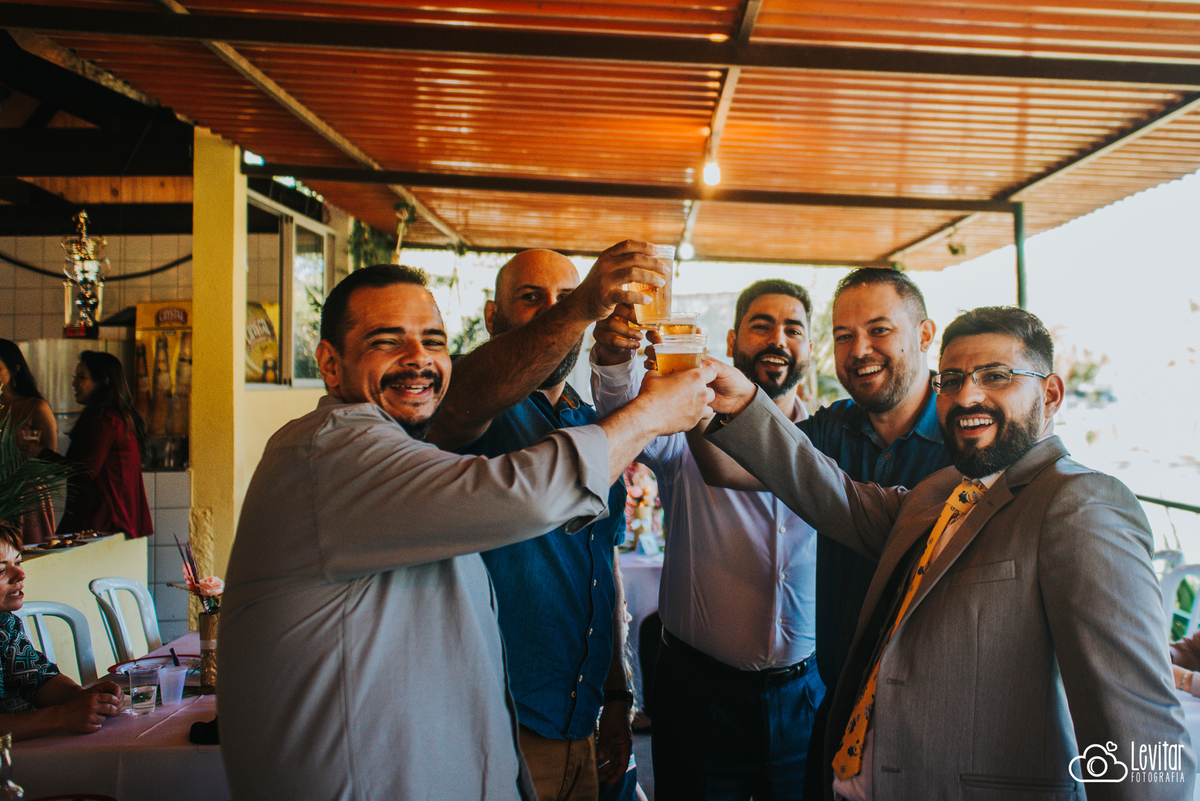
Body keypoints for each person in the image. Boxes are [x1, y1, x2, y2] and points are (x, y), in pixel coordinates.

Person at [219, 263, 716, 800]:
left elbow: (597, 567)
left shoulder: (423, 450)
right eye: (387, 341)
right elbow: (526, 490)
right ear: (330, 365)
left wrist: (615, 696)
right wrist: (651, 412)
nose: (418, 359)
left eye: (433, 341)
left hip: (547, 726)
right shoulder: (331, 451)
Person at [704, 305, 1194, 800]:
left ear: (1050, 395)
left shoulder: (1081, 503)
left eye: (996, 376)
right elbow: (835, 495)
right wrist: (746, 402)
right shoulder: (941, 490)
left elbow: (1141, 725)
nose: (967, 396)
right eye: (952, 379)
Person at [691, 268, 952, 798]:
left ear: (925, 336)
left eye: (879, 330)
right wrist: (691, 391)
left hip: (934, 715)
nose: (860, 350)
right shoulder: (832, 428)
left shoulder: (965, 434)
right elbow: (728, 467)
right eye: (843, 336)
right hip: (837, 703)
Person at [426, 244, 670, 801]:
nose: (559, 312)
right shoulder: (471, 411)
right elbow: (461, 396)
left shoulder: (586, 420)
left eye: (568, 299)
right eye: (532, 299)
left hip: (580, 714)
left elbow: (600, 566)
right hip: (498, 720)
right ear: (494, 318)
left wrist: (616, 696)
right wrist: (584, 303)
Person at [590, 279, 823, 800]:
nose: (777, 339)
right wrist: (612, 360)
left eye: (793, 328)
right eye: (762, 325)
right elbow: (623, 408)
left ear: (810, 346)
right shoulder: (689, 431)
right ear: (735, 337)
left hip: (807, 694)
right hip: (700, 694)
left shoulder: (830, 442)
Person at [0, 526, 125, 740]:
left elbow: (37, 677)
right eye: (1, 569)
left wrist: (82, 696)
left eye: (18, 562)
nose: (21, 574)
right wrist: (61, 716)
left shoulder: (5, 624)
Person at [27, 351, 152, 539]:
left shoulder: (105, 421)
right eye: (75, 377)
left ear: (104, 381)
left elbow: (85, 471)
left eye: (82, 377)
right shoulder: (113, 417)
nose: (74, 383)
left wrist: (41, 452)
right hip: (112, 524)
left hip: (104, 524)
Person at [0, 339, 57, 543]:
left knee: (28, 554)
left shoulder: (35, 407)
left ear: (15, 369)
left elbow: (49, 458)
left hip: (24, 496)